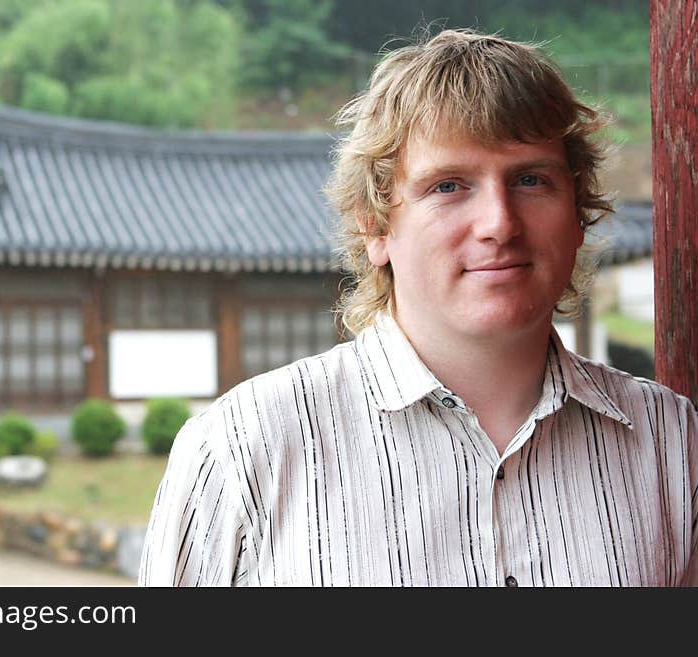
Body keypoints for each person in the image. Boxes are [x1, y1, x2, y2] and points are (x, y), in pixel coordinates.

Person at [139, 29, 698, 586]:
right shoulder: (244, 449)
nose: (499, 223)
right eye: (449, 186)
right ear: (375, 224)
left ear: (577, 212)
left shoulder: (672, 445)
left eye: (530, 179)